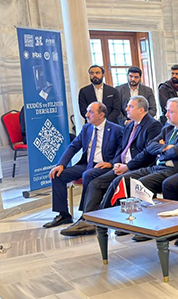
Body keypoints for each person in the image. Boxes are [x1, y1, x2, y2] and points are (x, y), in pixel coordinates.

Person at [61, 97, 163, 235]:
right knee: (95, 183)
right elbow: (122, 148)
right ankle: (88, 218)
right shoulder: (130, 125)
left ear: (141, 109)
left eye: (130, 106)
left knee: (116, 183)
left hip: (139, 167)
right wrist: (116, 163)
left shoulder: (153, 125)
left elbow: (147, 153)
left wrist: (127, 166)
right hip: (123, 165)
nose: (126, 109)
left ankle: (100, 220)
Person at [99, 97, 178, 217]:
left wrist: (161, 149)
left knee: (140, 184)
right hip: (156, 167)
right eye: (166, 111)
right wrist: (165, 147)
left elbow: (176, 152)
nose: (166, 115)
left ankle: (141, 220)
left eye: (170, 112)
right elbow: (150, 146)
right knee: (121, 180)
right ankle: (105, 216)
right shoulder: (167, 128)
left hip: (171, 170)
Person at [43, 102, 123, 229]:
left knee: (88, 175)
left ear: (101, 115)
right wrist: (61, 164)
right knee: (58, 175)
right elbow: (73, 146)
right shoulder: (87, 128)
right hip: (87, 164)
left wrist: (111, 163)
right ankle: (63, 215)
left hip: (104, 166)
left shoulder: (116, 129)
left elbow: (122, 150)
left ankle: (86, 214)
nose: (86, 115)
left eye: (90, 112)